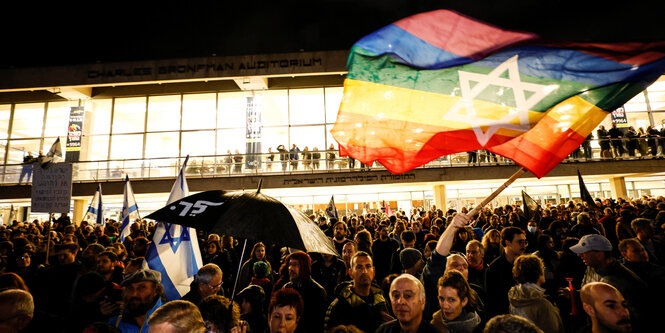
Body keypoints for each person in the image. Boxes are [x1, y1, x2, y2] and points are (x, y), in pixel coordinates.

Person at [569, 234, 649, 330]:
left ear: (599, 254)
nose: (579, 255)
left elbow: (637, 317)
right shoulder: (593, 269)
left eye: (584, 252)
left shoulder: (617, 281)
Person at [324, 251, 392, 333]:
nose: (364, 271)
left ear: (373, 271)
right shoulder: (339, 305)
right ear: (350, 272)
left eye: (368, 266)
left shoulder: (381, 300)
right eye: (359, 267)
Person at [508, 255, 564, 333]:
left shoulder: (515, 298)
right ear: (538, 273)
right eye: (542, 268)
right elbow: (553, 329)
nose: (543, 271)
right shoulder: (543, 304)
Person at [484, 227, 527, 318]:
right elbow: (492, 302)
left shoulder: (527, 265)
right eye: (520, 242)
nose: (524, 246)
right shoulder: (494, 269)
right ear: (508, 243)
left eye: (525, 242)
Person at [282, 251, 327, 333]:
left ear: (304, 267)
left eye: (295, 264)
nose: (291, 268)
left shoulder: (317, 291)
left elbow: (318, 324)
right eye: (290, 264)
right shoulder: (287, 288)